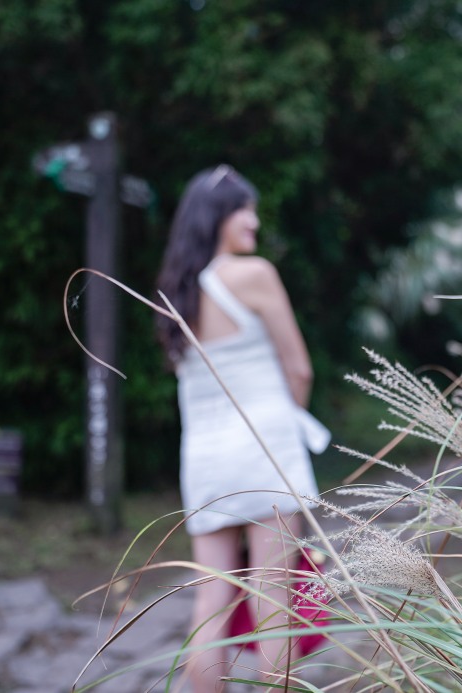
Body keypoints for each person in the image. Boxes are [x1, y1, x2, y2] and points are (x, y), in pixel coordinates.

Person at [155, 165, 328, 692]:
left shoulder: (175, 292)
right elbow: (299, 369)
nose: (253, 220)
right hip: (264, 447)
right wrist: (290, 420)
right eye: (244, 209)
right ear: (217, 217)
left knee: (211, 600)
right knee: (272, 595)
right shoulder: (253, 274)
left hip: (205, 457)